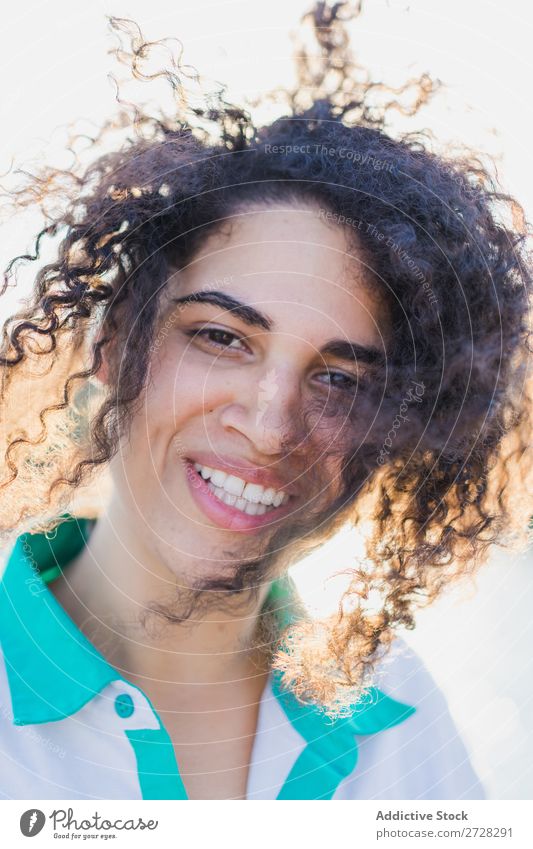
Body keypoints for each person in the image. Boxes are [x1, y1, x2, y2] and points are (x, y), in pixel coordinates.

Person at [0, 3, 531, 800]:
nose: (268, 423)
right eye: (221, 337)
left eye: (339, 379)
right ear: (116, 344)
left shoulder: (401, 720)